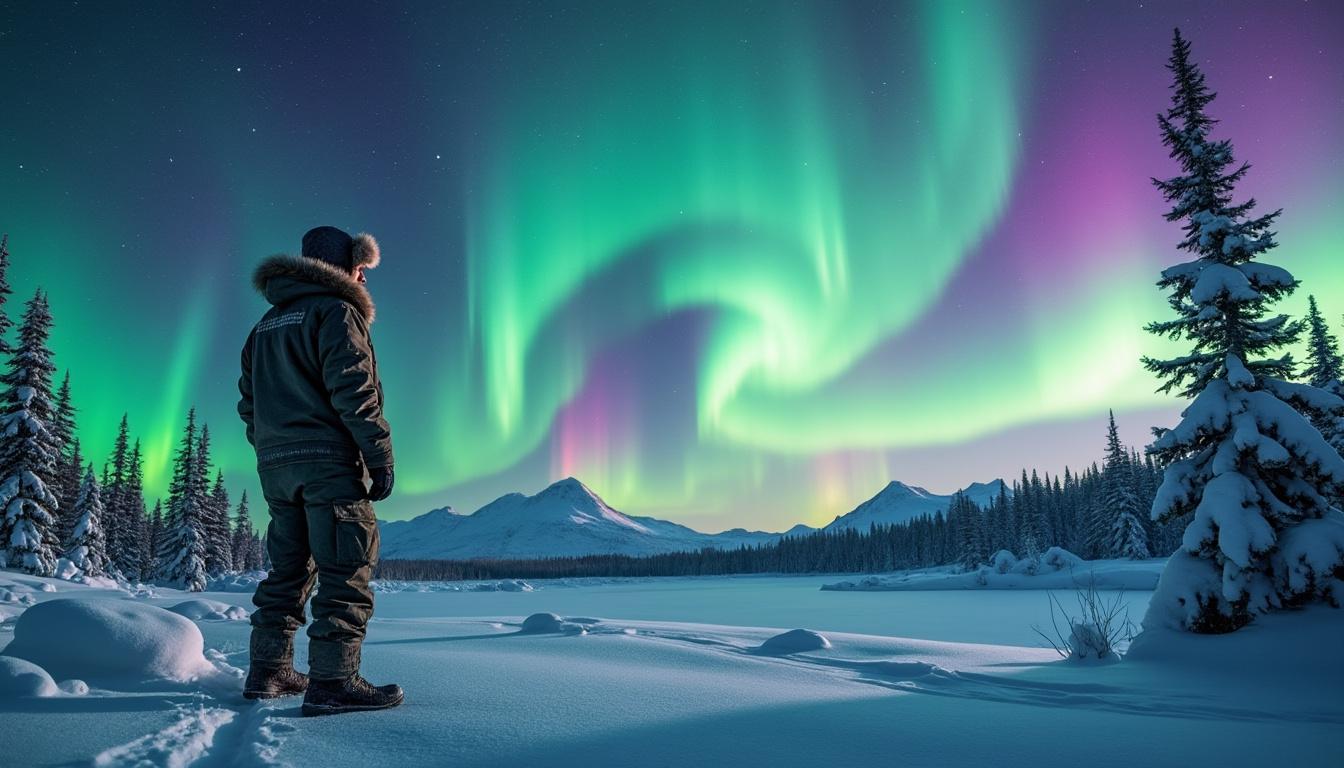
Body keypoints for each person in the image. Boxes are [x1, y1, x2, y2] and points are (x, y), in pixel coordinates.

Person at [237, 225, 402, 716]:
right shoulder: (336, 311)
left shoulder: (265, 325)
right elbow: (354, 388)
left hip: (277, 469)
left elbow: (249, 404)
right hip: (329, 463)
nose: (364, 280)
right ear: (343, 265)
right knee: (345, 569)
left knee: (288, 571)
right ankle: (333, 681)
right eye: (361, 270)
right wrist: (379, 455)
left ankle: (269, 670)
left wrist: (272, 449)